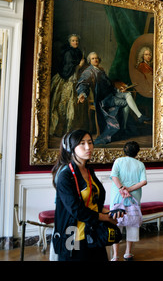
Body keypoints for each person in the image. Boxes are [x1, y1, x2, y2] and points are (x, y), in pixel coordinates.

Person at [51, 129, 122, 261]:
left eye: (90, 142)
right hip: (73, 237)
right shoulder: (65, 175)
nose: (88, 147)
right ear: (71, 148)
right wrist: (105, 218)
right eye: (82, 143)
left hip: (93, 233)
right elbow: (76, 210)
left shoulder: (89, 170)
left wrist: (110, 213)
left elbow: (94, 202)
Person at [76, 52, 151, 145]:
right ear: (89, 61)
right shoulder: (89, 72)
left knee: (127, 94)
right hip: (104, 100)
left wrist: (120, 89)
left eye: (96, 58)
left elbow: (109, 85)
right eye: (93, 58)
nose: (95, 60)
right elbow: (83, 83)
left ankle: (139, 116)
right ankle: (123, 128)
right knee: (126, 103)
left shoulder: (100, 69)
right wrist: (82, 94)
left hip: (112, 93)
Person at [110, 141, 147, 261]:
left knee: (116, 224)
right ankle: (128, 253)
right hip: (134, 198)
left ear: (124, 150)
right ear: (137, 152)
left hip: (118, 196)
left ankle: (115, 255)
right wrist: (129, 189)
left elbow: (114, 176)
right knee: (132, 223)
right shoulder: (140, 164)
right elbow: (143, 182)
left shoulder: (118, 161)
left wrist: (122, 188)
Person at [49, 34, 88, 137]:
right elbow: (68, 67)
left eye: (77, 41)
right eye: (73, 41)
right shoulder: (68, 53)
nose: (75, 42)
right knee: (64, 104)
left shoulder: (79, 52)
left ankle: (73, 131)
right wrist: (78, 66)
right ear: (70, 42)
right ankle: (61, 130)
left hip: (76, 80)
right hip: (67, 79)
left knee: (76, 105)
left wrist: (82, 66)